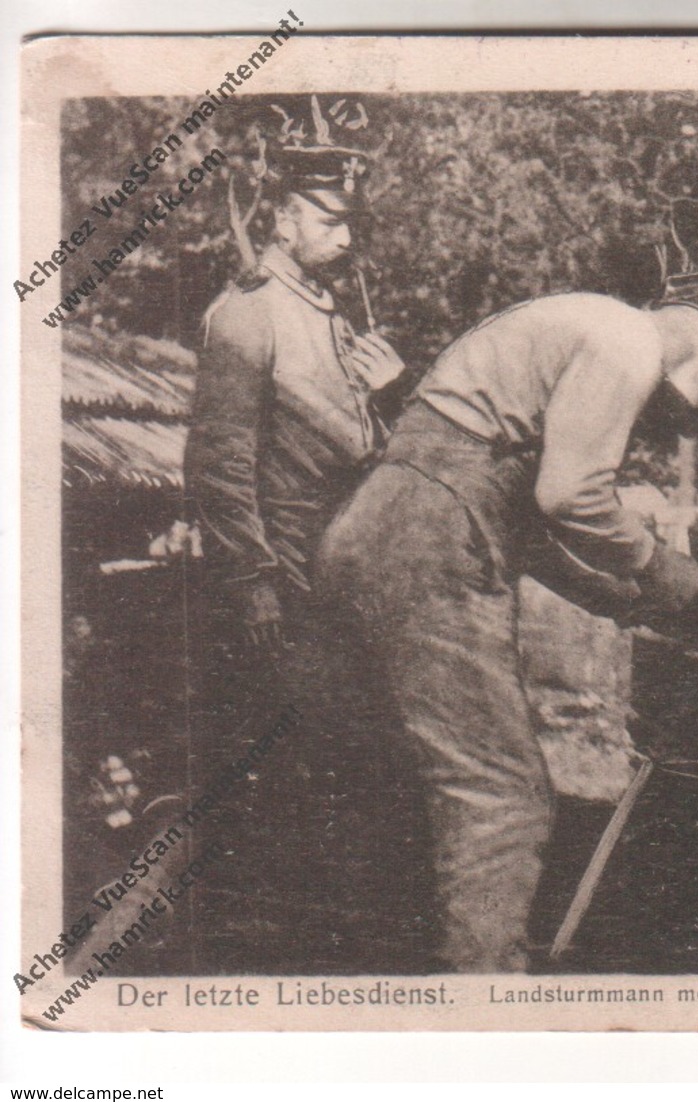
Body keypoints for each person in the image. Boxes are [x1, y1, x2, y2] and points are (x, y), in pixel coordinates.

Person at [316, 275, 698, 973]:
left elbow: (522, 528)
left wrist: (631, 603)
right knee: (502, 796)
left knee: (412, 783)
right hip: (427, 541)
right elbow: (569, 496)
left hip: (378, 533)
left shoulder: (574, 328)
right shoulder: (629, 340)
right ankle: (486, 1010)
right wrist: (659, 566)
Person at [182, 134, 409, 970]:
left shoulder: (326, 313)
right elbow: (219, 463)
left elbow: (362, 451)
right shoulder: (249, 312)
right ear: (281, 218)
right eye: (330, 219)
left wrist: (393, 394)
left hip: (335, 582)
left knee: (348, 771)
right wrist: (253, 583)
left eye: (353, 223)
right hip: (281, 588)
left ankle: (336, 947)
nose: (348, 239)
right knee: (302, 781)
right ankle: (286, 957)